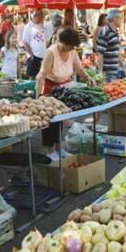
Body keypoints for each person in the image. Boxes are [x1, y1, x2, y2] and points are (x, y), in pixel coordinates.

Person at [36, 27, 96, 160]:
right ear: (63, 41)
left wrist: (87, 77)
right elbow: (42, 74)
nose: (71, 48)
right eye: (69, 45)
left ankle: (59, 148)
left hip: (65, 88)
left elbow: (79, 68)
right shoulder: (51, 52)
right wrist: (39, 95)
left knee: (61, 120)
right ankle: (50, 151)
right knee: (50, 121)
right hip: (50, 89)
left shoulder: (72, 51)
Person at [22, 9, 53, 79]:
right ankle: (31, 89)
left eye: (42, 16)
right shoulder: (28, 26)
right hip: (33, 56)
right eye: (41, 16)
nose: (42, 18)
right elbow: (25, 42)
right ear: (35, 16)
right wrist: (31, 55)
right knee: (31, 76)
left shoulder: (43, 25)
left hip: (42, 56)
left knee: (41, 76)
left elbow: (48, 38)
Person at [96, 9, 124, 82]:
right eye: (120, 18)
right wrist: (100, 72)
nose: (121, 20)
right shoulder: (105, 31)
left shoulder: (115, 31)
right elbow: (100, 54)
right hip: (107, 73)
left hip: (114, 71)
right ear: (115, 18)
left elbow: (116, 52)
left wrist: (123, 66)